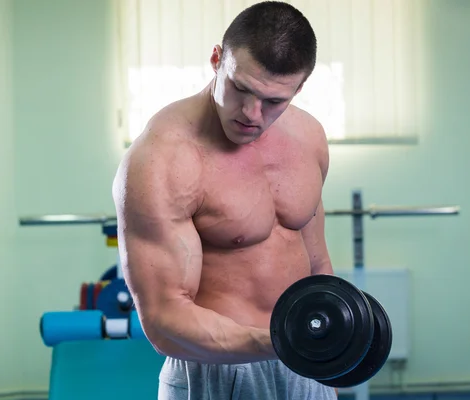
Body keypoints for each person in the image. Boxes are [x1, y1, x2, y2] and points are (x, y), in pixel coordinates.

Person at [113, 2, 337, 399]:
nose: (252, 114)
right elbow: (164, 319)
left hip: (305, 367)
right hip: (216, 374)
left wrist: (334, 332)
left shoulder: (309, 138)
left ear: (298, 88)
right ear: (217, 59)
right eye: (241, 89)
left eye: (274, 102)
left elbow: (316, 262)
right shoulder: (163, 157)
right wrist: (280, 342)